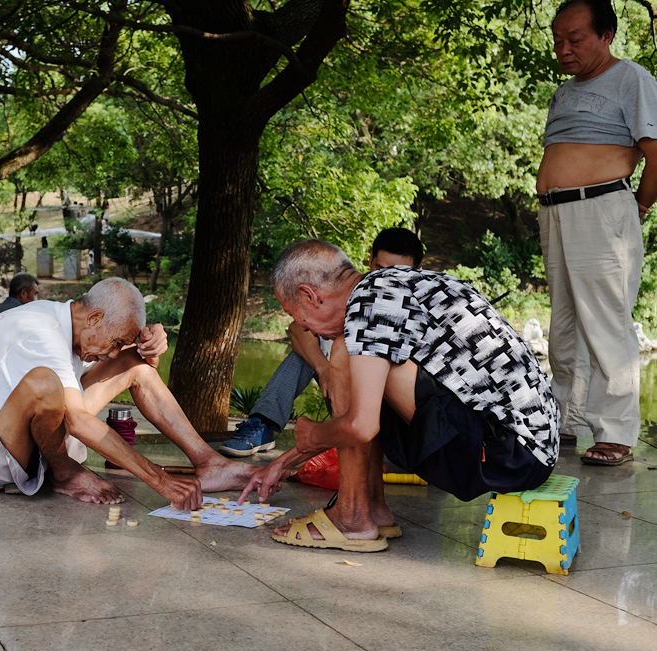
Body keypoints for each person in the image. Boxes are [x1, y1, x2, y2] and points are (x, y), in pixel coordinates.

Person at [238, 240, 559, 552]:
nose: (304, 328)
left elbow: (362, 425)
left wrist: (312, 435)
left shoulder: (368, 304)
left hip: (508, 455)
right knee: (364, 367)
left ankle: (351, 518)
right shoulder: (389, 286)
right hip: (524, 449)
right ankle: (373, 509)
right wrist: (285, 461)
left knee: (344, 353)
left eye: (295, 314)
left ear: (309, 295)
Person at [0, 277, 257, 508]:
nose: (113, 353)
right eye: (115, 342)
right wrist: (160, 480)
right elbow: (76, 421)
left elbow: (126, 365)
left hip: (40, 445)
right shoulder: (38, 330)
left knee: (134, 364)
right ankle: (65, 475)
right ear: (95, 318)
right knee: (44, 383)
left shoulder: (72, 328)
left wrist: (149, 351)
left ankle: (210, 463)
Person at [537, 0, 657, 466]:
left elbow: (654, 151)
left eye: (576, 39)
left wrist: (640, 204)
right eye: (557, 39)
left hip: (603, 207)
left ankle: (616, 433)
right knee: (564, 324)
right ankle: (563, 421)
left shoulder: (633, 78)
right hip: (556, 213)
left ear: (606, 35)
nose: (564, 49)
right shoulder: (564, 91)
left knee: (607, 321)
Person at [219, 228, 424, 457]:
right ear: (369, 260)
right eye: (380, 269)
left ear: (417, 271)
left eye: (398, 272)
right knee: (318, 336)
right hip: (357, 403)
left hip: (402, 414)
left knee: (342, 345)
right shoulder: (346, 292)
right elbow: (300, 328)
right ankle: (263, 423)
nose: (386, 278)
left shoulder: (397, 299)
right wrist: (325, 369)